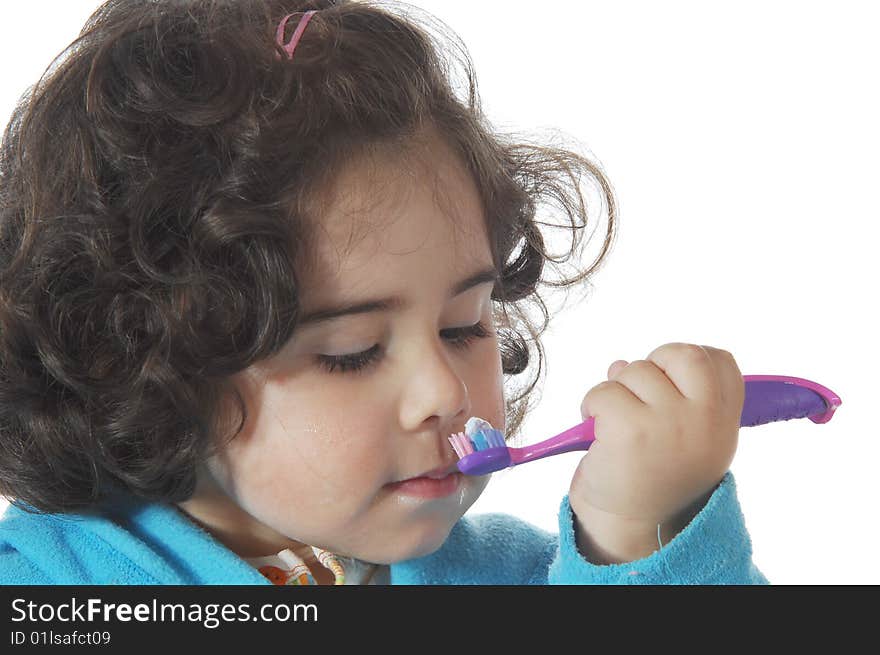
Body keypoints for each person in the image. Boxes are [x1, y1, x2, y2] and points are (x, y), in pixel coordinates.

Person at [0, 0, 765, 585]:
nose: (443, 390)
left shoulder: (519, 577)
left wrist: (638, 539)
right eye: (352, 353)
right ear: (149, 370)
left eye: (465, 325)